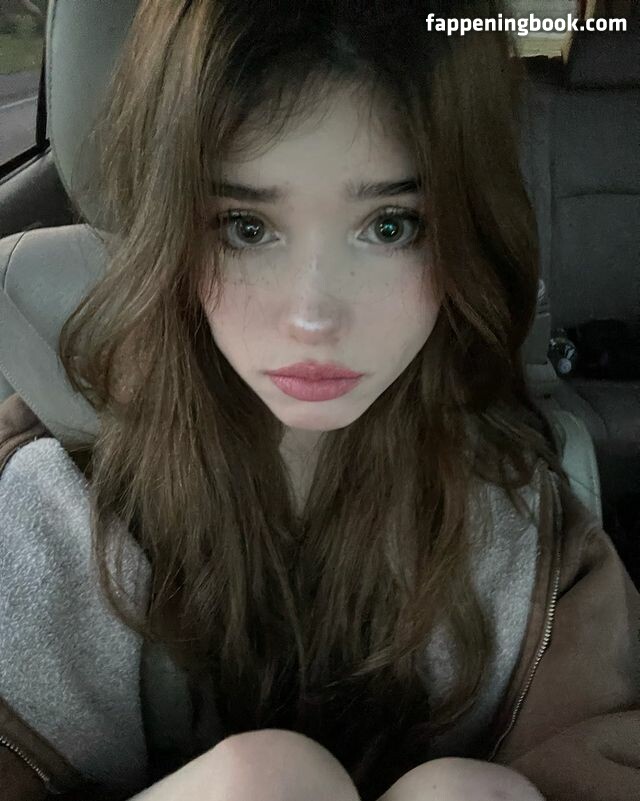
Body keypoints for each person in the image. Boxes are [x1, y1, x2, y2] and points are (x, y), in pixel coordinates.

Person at [0, 1, 638, 800]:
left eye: (391, 225)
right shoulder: (49, 503)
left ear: (466, 231)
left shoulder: (534, 534)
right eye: (245, 226)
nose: (312, 318)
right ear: (171, 230)